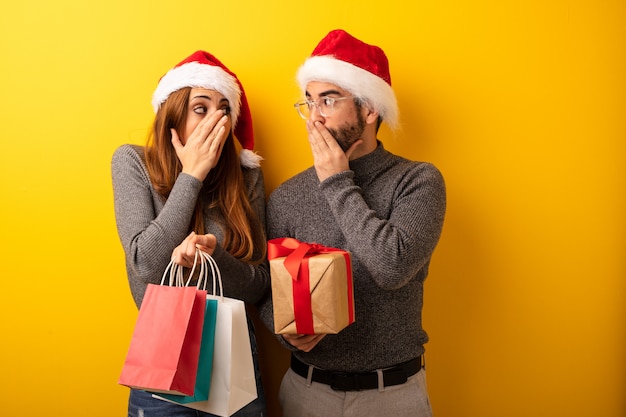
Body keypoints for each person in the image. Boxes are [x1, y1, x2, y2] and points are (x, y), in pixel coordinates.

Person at [258, 30, 446, 417]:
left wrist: (336, 182)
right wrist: (284, 330)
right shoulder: (288, 195)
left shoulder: (418, 181)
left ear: (370, 109)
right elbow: (266, 286)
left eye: (328, 99)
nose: (315, 116)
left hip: (392, 396)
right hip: (307, 391)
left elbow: (391, 267)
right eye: (309, 101)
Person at [112, 50, 269, 417]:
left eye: (223, 109)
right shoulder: (133, 162)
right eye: (201, 108)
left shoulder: (247, 179)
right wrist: (192, 176)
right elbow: (146, 269)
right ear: (174, 112)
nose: (215, 119)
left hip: (235, 363)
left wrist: (216, 257)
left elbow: (260, 285)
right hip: (163, 369)